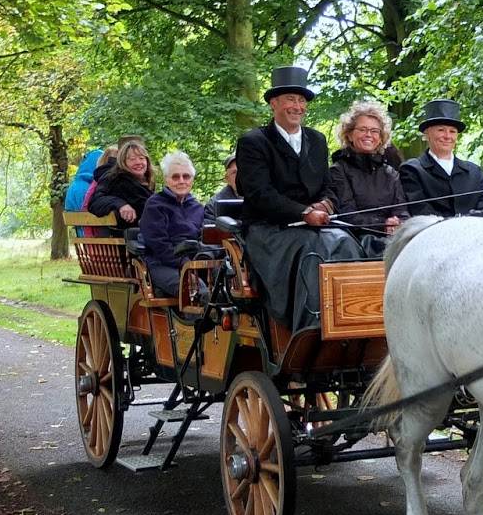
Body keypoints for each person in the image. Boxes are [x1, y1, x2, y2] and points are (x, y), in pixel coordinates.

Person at [236, 65, 364, 330]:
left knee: (347, 243)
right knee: (311, 251)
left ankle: (354, 318)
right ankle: (310, 326)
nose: (298, 106)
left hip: (312, 224)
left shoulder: (316, 140)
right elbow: (260, 193)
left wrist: (324, 205)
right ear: (274, 104)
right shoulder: (254, 142)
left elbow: (328, 188)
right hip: (269, 228)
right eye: (291, 100)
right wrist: (304, 212)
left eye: (302, 100)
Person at [329, 100, 409, 254]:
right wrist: (383, 224)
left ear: (381, 138)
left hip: (392, 241)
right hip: (354, 243)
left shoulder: (391, 174)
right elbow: (347, 215)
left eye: (374, 131)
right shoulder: (338, 171)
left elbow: (402, 212)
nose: (368, 135)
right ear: (350, 134)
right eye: (363, 129)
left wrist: (398, 223)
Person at [400, 98, 483, 217]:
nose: (447, 136)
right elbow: (419, 209)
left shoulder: (475, 173)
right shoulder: (411, 170)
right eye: (441, 130)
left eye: (452, 131)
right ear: (427, 134)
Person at [140, 151, 206, 295]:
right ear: (166, 180)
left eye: (186, 176)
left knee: (226, 283)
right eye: (175, 177)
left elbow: (205, 238)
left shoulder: (198, 208)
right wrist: (184, 262)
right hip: (161, 264)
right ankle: (198, 318)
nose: (181, 181)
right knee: (196, 289)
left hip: (194, 262)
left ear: (192, 180)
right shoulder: (155, 205)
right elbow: (158, 244)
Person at [88, 137, 154, 223]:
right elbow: (95, 201)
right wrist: (120, 204)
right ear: (123, 163)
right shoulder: (117, 180)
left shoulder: (144, 182)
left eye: (141, 158)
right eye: (132, 159)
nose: (138, 162)